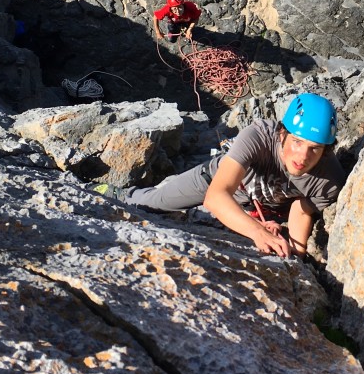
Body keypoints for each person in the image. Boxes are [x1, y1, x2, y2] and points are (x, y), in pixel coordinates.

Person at [109, 93, 345, 258]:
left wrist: (296, 253)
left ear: (326, 150)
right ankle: (115, 194)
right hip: (219, 181)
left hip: (267, 204)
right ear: (282, 133)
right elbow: (216, 196)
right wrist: (257, 230)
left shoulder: (329, 178)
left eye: (315, 148)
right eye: (297, 142)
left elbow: (301, 210)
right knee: (151, 204)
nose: (303, 155)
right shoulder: (259, 136)